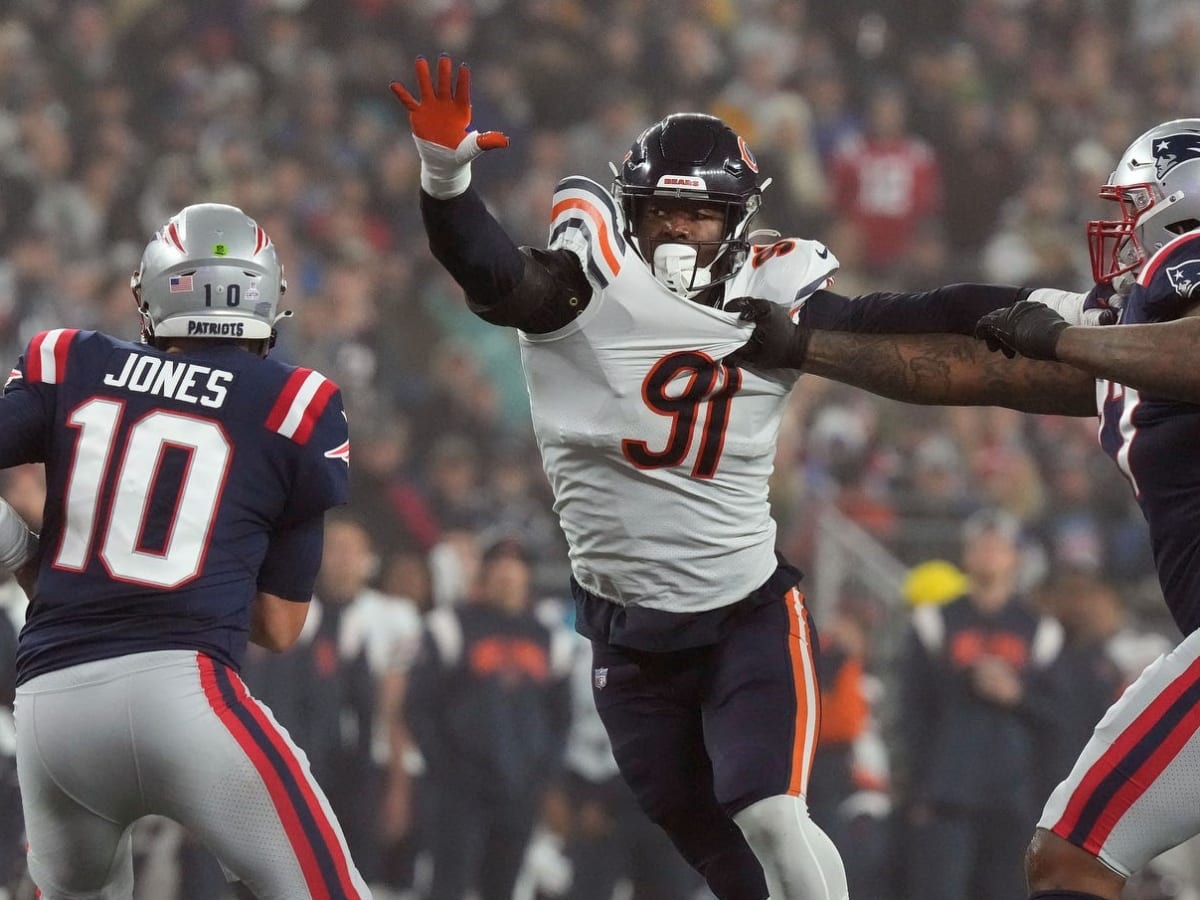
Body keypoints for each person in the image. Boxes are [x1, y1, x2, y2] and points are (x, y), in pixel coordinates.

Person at [388, 53, 1106, 900]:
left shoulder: (776, 297)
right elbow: (485, 265)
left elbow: (918, 312)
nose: (679, 232)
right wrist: (446, 175)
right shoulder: (581, 291)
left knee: (770, 813)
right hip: (626, 634)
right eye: (663, 212)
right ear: (632, 211)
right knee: (730, 864)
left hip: (745, 614)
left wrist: (1057, 309)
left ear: (735, 221)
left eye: (700, 215)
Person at [727, 117, 1200, 900]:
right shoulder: (1128, 331)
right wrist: (809, 336)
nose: (1118, 233)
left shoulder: (1178, 273)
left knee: (1075, 855)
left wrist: (1066, 342)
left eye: (1133, 209)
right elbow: (970, 356)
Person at [0, 202, 372, 899]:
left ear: (155, 293)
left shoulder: (74, 360)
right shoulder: (293, 404)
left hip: (52, 710)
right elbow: (281, 627)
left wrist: (21, 551)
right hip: (186, 695)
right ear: (264, 298)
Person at [897, 508, 1065, 900]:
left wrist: (1017, 696)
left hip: (1014, 798)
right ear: (966, 555)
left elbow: (1060, 718)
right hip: (946, 794)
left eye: (998, 546)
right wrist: (915, 789)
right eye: (981, 546)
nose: (989, 554)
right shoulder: (933, 622)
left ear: (1015, 558)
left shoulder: (1040, 630)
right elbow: (911, 712)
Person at [404, 535, 573, 900]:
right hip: (459, 790)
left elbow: (561, 717)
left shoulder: (550, 637)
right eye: (498, 567)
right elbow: (419, 706)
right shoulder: (450, 626)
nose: (507, 575)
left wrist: (544, 775)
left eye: (516, 568)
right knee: (448, 886)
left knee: (504, 887)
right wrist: (445, 768)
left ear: (528, 577)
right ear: (484, 574)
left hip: (519, 789)